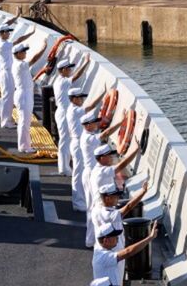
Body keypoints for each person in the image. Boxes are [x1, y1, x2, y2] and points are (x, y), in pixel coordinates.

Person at [80, 114, 127, 246]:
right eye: (94, 122)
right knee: (93, 208)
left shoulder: (86, 136)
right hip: (90, 173)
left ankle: (92, 239)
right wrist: (120, 122)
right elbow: (105, 133)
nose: (96, 124)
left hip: (88, 171)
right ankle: (91, 240)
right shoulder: (90, 138)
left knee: (92, 208)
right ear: (88, 125)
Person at [91, 181, 150, 279]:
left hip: (102, 246)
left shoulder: (96, 210)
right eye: (115, 196)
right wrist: (143, 192)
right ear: (107, 198)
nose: (118, 198)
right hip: (114, 249)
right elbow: (129, 207)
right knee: (116, 278)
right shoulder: (110, 215)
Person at [51, 52, 91, 175]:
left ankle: (64, 166)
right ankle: (63, 168)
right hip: (63, 113)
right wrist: (85, 63)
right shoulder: (62, 82)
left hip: (63, 112)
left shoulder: (58, 80)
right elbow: (76, 76)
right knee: (64, 140)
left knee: (65, 140)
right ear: (62, 70)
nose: (70, 70)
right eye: (69, 68)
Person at [91, 221, 158, 286]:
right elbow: (128, 252)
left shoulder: (101, 248)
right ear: (106, 240)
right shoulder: (102, 256)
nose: (117, 238)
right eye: (115, 237)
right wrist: (150, 237)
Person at [11, 39, 48, 152]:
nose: (25, 53)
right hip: (23, 95)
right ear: (17, 54)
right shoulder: (20, 64)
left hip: (25, 93)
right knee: (24, 121)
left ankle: (24, 144)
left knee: (25, 121)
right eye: (23, 51)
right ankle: (24, 146)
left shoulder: (19, 64)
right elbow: (35, 59)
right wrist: (44, 48)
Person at [0, 23, 34, 128]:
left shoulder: (0, 43)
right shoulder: (4, 45)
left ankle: (7, 119)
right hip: (6, 72)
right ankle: (6, 121)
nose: (8, 34)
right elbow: (18, 41)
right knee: (7, 98)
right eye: (7, 32)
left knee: (7, 97)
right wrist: (30, 33)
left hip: (6, 72)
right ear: (2, 33)